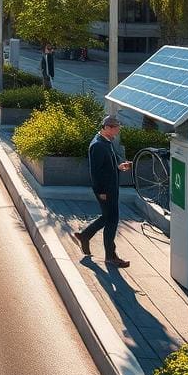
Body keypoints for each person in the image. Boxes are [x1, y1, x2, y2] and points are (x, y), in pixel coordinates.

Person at [74, 115, 132, 268]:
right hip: (106, 190)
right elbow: (96, 172)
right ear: (106, 127)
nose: (117, 131)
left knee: (108, 218)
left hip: (111, 188)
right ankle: (110, 256)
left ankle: (85, 235)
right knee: (112, 220)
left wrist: (119, 167)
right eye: (115, 128)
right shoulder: (98, 146)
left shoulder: (106, 142)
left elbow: (107, 165)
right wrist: (101, 191)